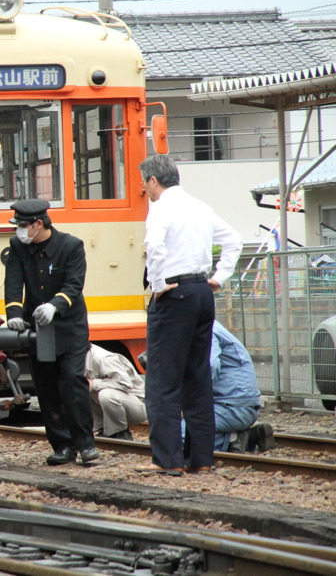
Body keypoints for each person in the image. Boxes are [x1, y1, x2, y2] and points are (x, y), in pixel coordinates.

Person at [138, 155, 242, 476]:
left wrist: (157, 285)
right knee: (197, 379)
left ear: (154, 181)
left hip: (174, 294)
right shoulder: (199, 206)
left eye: (144, 182)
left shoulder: (161, 209)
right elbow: (234, 240)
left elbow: (154, 247)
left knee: (163, 380)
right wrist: (219, 277)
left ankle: (168, 460)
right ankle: (201, 459)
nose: (144, 189)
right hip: (201, 293)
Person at [3, 199, 98, 466]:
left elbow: (73, 285)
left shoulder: (71, 246)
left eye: (23, 226)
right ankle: (62, 446)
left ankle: (86, 444)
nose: (19, 231)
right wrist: (14, 315)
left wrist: (54, 306)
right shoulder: (18, 247)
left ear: (38, 224)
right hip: (38, 328)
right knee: (46, 388)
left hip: (70, 326)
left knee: (72, 382)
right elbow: (13, 282)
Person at [208, 322, 277, 453]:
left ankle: (234, 439)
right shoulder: (204, 325)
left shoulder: (206, 331)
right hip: (231, 405)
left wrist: (187, 404)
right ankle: (247, 437)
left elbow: (209, 367)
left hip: (232, 408)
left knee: (172, 435)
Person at [85, 344, 146, 440]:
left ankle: (121, 432)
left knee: (106, 395)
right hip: (116, 402)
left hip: (138, 404)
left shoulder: (103, 358)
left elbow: (125, 384)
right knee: (81, 387)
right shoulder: (79, 359)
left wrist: (93, 383)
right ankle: (103, 429)